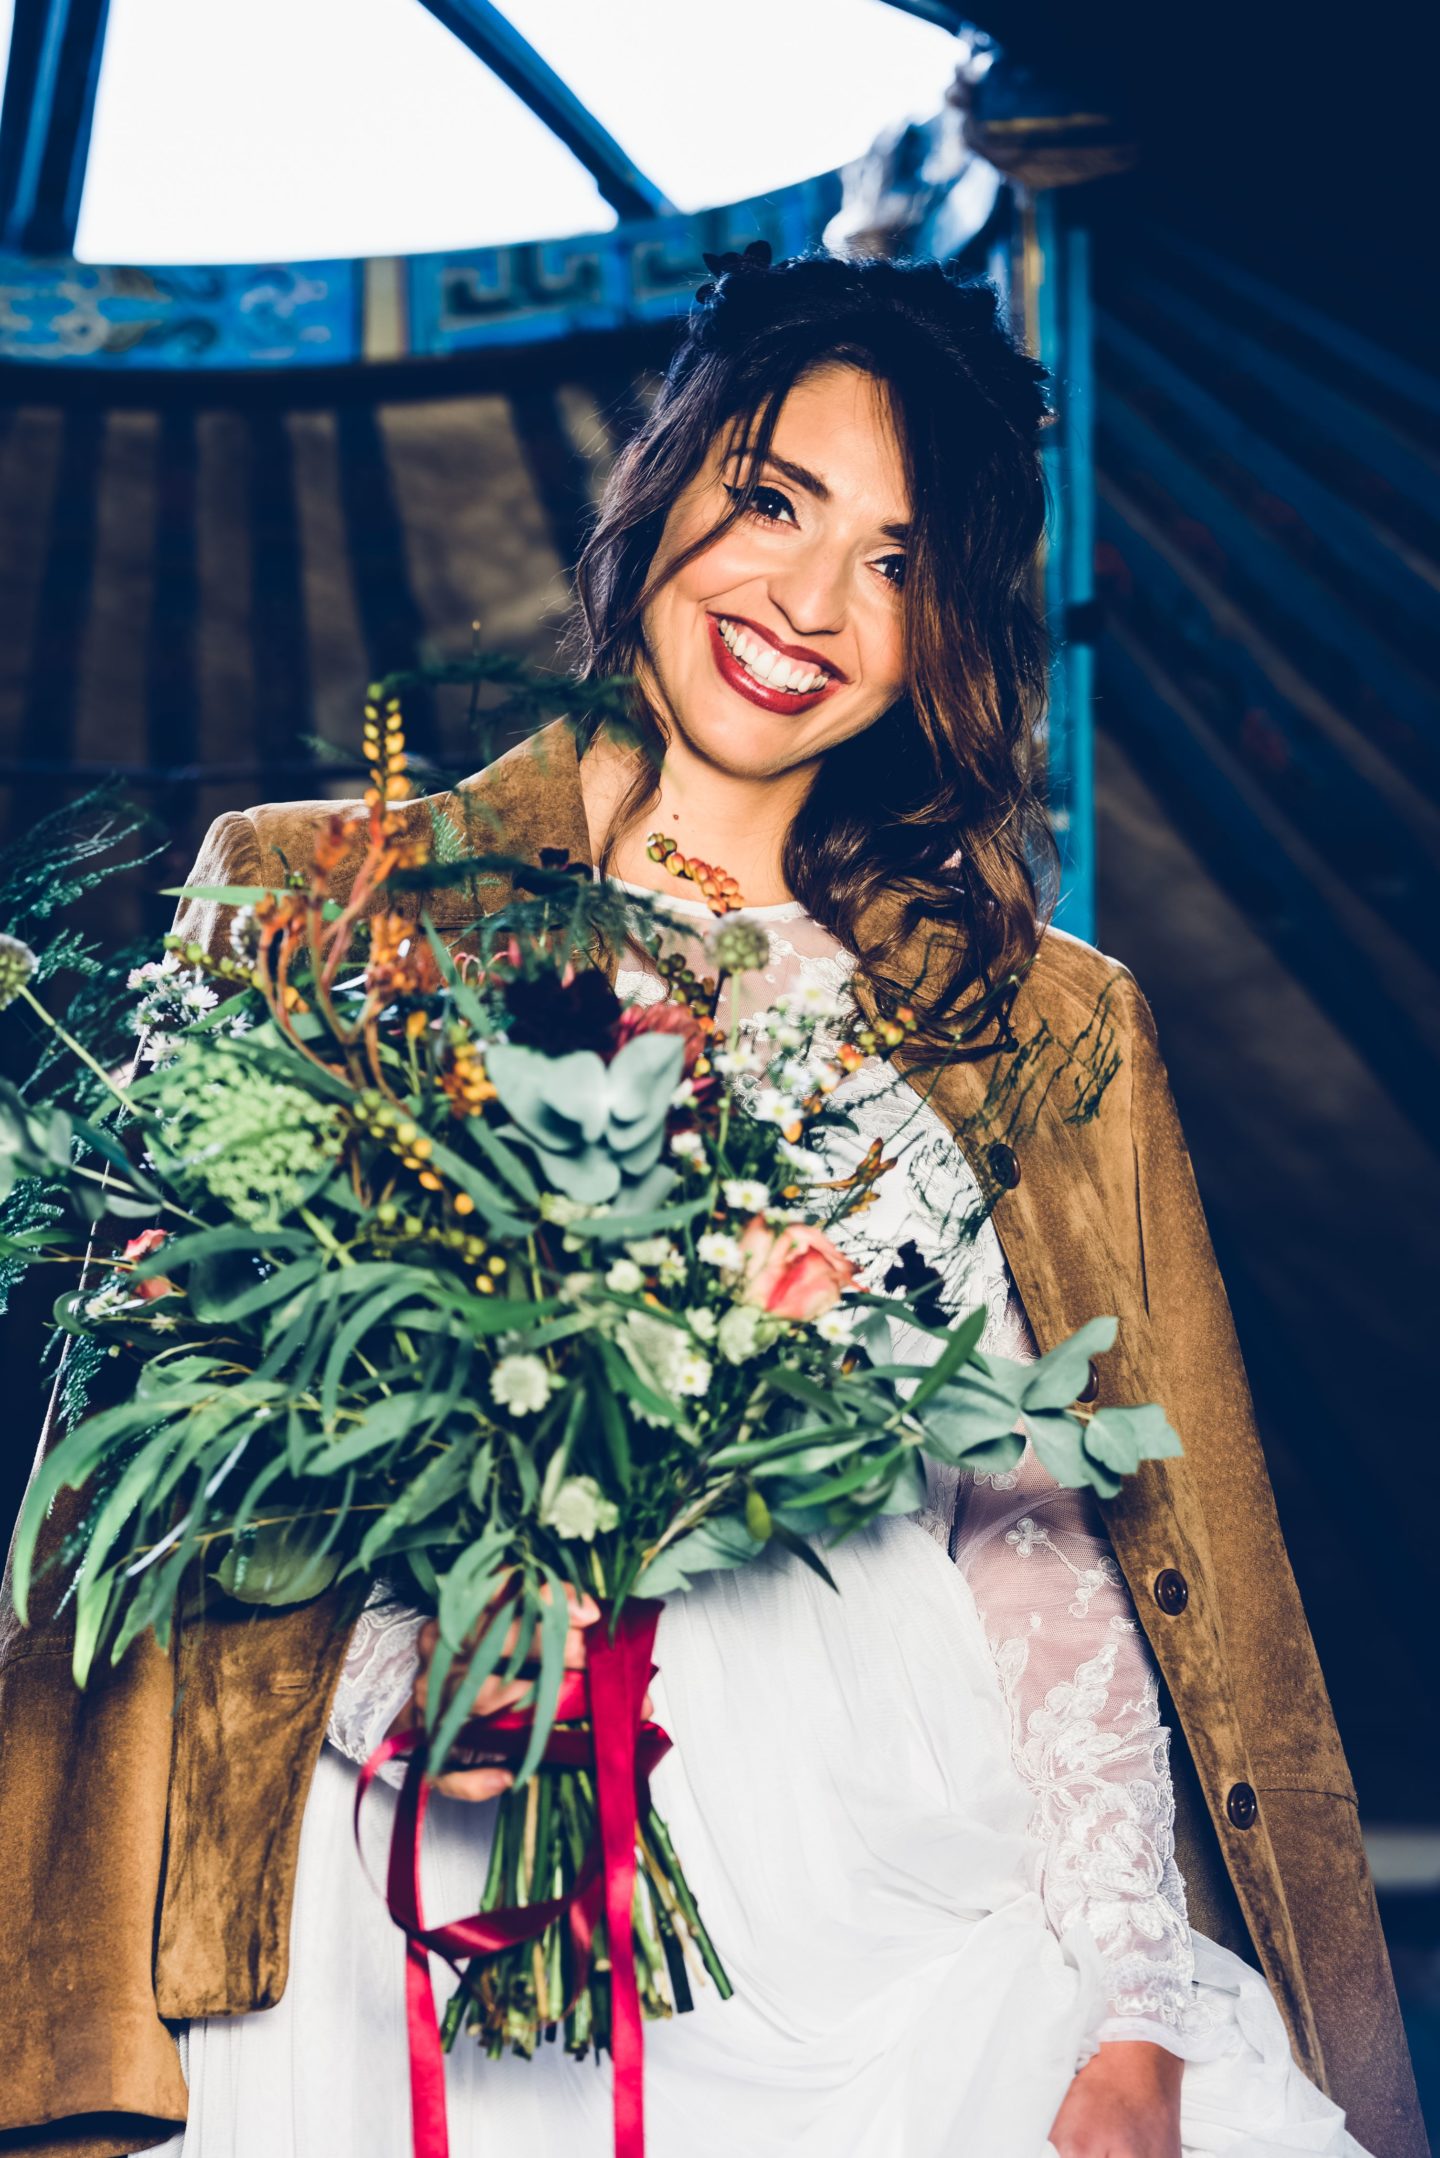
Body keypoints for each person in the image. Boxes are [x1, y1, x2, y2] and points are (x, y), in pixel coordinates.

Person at [0, 252, 1425, 2158]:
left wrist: (1135, 1998)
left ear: (948, 629)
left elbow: (1041, 1536)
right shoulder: (310, 902)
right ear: (662, 483)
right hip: (387, 1883)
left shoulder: (1043, 1020)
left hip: (910, 1905)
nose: (811, 605)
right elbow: (151, 1493)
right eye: (774, 501)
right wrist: (431, 1649)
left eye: (900, 564)